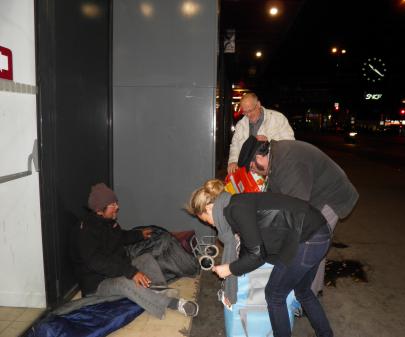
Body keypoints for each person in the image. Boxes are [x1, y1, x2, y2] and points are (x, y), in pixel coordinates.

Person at [187, 179, 334, 337]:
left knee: (274, 295)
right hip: (319, 231)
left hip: (308, 239)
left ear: (209, 208)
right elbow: (252, 244)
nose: (211, 225)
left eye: (206, 220)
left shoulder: (236, 210)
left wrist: (229, 268)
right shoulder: (234, 203)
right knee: (302, 291)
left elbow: (257, 254)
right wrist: (234, 273)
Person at [237, 136, 359, 295]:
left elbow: (297, 210)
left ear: (259, 156)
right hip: (314, 193)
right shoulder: (274, 159)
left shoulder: (288, 163)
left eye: (252, 167)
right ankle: (310, 289)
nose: (253, 171)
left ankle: (308, 295)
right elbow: (272, 198)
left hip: (331, 196)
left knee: (310, 242)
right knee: (307, 242)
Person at [70, 183, 199, 319]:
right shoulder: (85, 232)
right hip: (97, 284)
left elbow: (120, 236)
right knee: (125, 283)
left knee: (146, 258)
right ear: (99, 210)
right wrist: (131, 272)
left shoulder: (108, 222)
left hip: (115, 270)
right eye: (112, 205)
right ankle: (172, 304)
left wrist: (139, 234)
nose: (117, 207)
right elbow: (97, 262)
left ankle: (160, 291)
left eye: (116, 203)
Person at [227, 92, 295, 174]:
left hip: (272, 171)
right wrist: (233, 161)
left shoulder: (278, 119)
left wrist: (269, 143)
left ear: (258, 104)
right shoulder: (241, 124)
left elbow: (290, 145)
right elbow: (235, 145)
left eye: (250, 110)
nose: (248, 115)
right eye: (245, 112)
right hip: (248, 173)